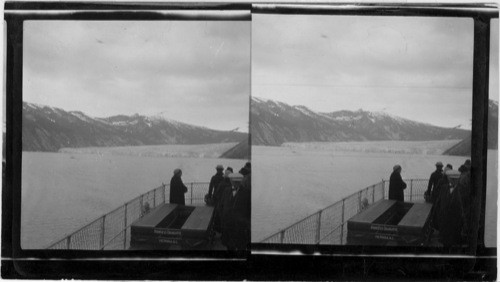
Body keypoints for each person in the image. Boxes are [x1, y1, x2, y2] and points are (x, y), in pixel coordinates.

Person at [219, 172, 251, 251]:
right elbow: (221, 206)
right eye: (233, 181)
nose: (234, 183)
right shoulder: (226, 190)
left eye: (236, 181)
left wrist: (247, 224)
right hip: (228, 225)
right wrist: (222, 220)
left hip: (240, 227)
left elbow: (249, 210)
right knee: (229, 246)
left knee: (241, 246)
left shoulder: (247, 192)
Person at [213, 167, 233, 233]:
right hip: (229, 205)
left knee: (221, 219)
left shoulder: (221, 184)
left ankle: (221, 232)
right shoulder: (231, 185)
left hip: (220, 204)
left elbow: (216, 194)